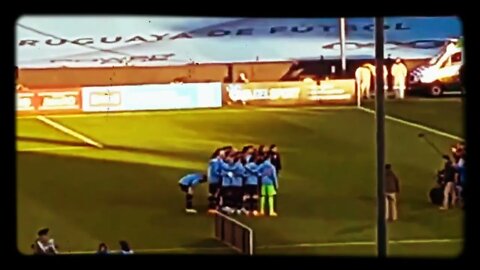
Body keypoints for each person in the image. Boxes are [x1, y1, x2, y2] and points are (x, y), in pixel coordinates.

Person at [207, 149, 224, 213]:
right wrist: (223, 174)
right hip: (215, 179)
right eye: (222, 154)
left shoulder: (219, 161)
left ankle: (215, 206)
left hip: (215, 179)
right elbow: (215, 171)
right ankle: (212, 207)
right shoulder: (215, 162)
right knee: (214, 193)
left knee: (217, 193)